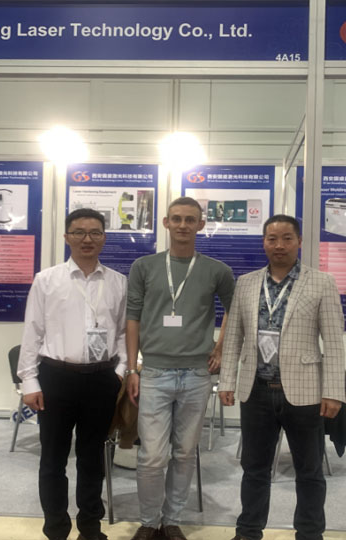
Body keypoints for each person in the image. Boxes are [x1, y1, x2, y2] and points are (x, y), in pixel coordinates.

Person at [219, 214, 346, 540]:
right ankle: (248, 532)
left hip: (305, 392)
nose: (279, 245)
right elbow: (233, 337)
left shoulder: (322, 282)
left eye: (287, 238)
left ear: (299, 241)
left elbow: (333, 342)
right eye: (272, 238)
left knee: (309, 470)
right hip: (256, 391)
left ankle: (309, 534)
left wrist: (333, 391)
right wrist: (227, 381)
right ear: (263, 242)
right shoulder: (246, 283)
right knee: (254, 469)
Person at [125, 197, 236, 540]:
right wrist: (131, 369)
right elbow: (132, 318)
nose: (183, 225)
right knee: (152, 456)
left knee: (185, 453)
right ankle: (149, 521)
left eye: (190, 219)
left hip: (196, 375)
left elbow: (236, 312)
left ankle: (171, 520)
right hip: (154, 373)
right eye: (176, 219)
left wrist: (220, 348)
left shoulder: (217, 270)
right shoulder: (144, 266)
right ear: (166, 223)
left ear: (201, 224)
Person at [17, 208, 127, 540]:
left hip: (102, 380)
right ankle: (56, 529)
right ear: (66, 237)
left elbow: (124, 332)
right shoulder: (47, 280)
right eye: (79, 232)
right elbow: (32, 332)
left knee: (93, 458)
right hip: (56, 378)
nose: (86, 239)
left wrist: (121, 371)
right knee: (53, 459)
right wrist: (29, 380)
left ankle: (90, 528)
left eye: (95, 232)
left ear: (104, 238)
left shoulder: (118, 282)